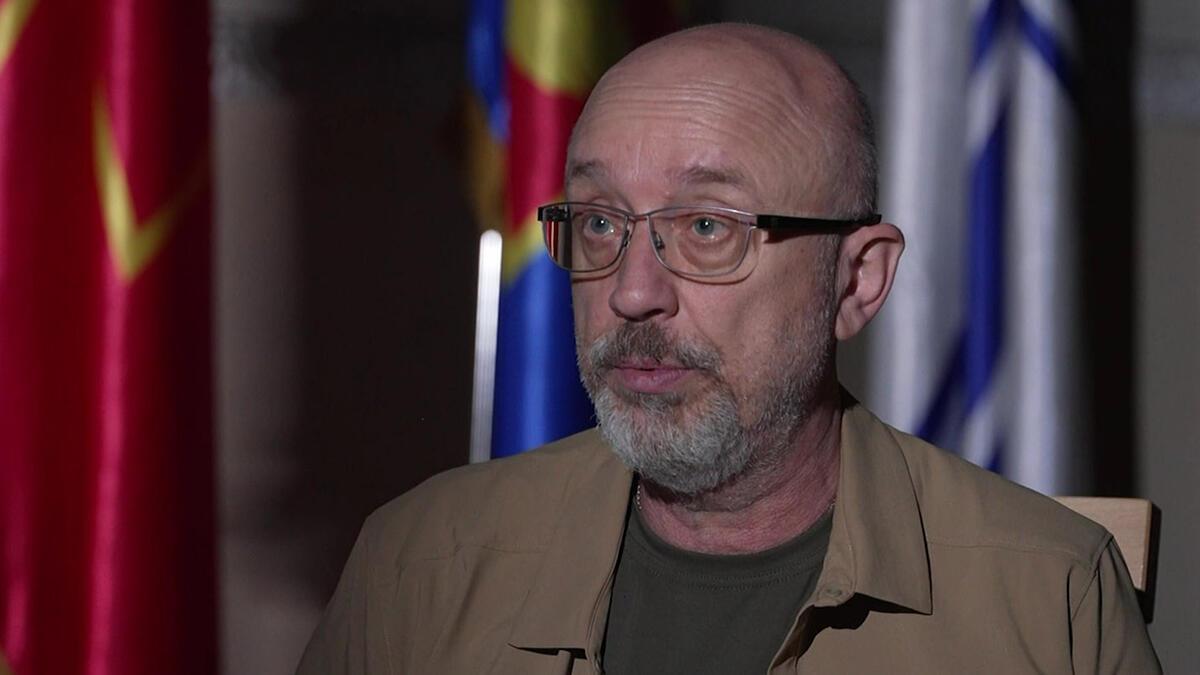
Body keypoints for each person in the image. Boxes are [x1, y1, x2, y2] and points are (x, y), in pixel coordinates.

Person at [297, 23, 1159, 674]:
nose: (631, 291)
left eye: (707, 227)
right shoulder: (418, 569)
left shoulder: (1048, 600)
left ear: (856, 281)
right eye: (598, 222)